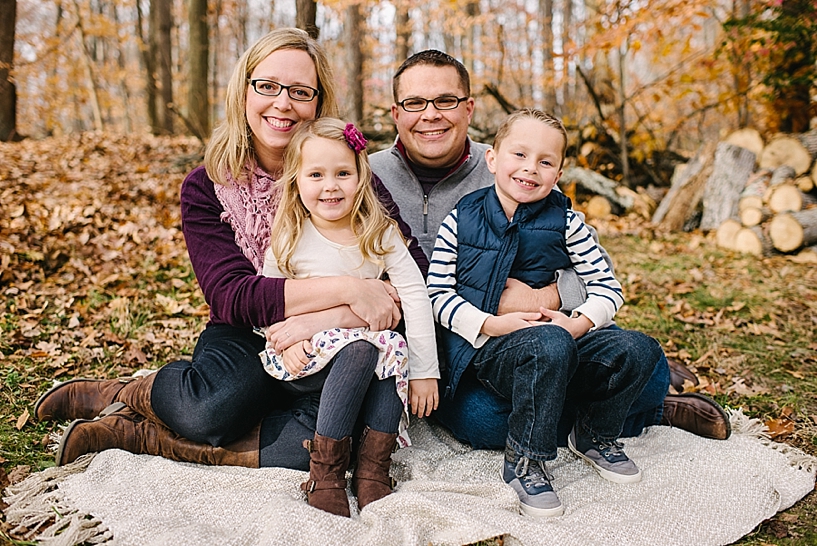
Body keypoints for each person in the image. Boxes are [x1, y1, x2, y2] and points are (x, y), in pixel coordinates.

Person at [34, 28, 429, 516]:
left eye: (301, 91)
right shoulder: (207, 187)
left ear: (318, 101)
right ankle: (131, 394)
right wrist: (353, 287)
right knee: (210, 409)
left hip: (336, 340)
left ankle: (146, 437)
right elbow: (233, 297)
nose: (282, 104)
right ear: (243, 90)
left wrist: (317, 320)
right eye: (267, 86)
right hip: (245, 331)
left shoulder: (344, 172)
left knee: (334, 441)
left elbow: (412, 267)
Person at [369, 49, 731, 446]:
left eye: (446, 101)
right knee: (484, 422)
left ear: (468, 108)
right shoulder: (366, 175)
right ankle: (644, 410)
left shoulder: (519, 165)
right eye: (415, 103)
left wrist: (544, 296)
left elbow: (596, 266)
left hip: (536, 335)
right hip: (452, 346)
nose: (431, 114)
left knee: (649, 362)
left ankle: (617, 396)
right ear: (396, 113)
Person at [428, 108, 660, 517]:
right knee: (541, 352)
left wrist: (578, 323)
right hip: (495, 347)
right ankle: (525, 461)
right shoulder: (461, 219)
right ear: (493, 159)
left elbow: (608, 287)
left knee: (639, 349)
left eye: (545, 162)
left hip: (562, 336)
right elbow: (438, 295)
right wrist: (490, 323)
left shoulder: (567, 222)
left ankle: (594, 434)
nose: (530, 169)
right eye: (519, 155)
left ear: (559, 172)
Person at [257, 118, 439, 514]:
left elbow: (414, 294)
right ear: (297, 180)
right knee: (360, 349)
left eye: (343, 173)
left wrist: (426, 371)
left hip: (367, 349)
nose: (330, 185)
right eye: (316, 175)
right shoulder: (290, 234)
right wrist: (284, 340)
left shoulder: (379, 231)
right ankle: (326, 473)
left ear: (361, 176)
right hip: (305, 361)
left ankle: (373, 470)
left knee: (391, 345)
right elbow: (269, 300)